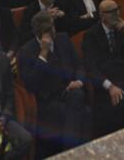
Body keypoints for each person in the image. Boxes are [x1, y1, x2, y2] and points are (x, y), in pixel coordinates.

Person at [17, 11, 88, 154]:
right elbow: (31, 84)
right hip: (47, 101)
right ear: (38, 33)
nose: (52, 32)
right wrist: (43, 54)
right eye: (47, 31)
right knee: (82, 111)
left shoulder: (63, 39)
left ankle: (70, 151)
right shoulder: (26, 52)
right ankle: (74, 151)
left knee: (77, 94)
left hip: (69, 90)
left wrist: (79, 81)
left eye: (52, 27)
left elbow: (79, 65)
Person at [82, 0, 124, 135]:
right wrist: (110, 86)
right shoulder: (91, 35)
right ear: (102, 15)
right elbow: (91, 67)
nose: (116, 14)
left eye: (117, 10)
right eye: (111, 12)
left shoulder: (121, 29)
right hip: (106, 83)